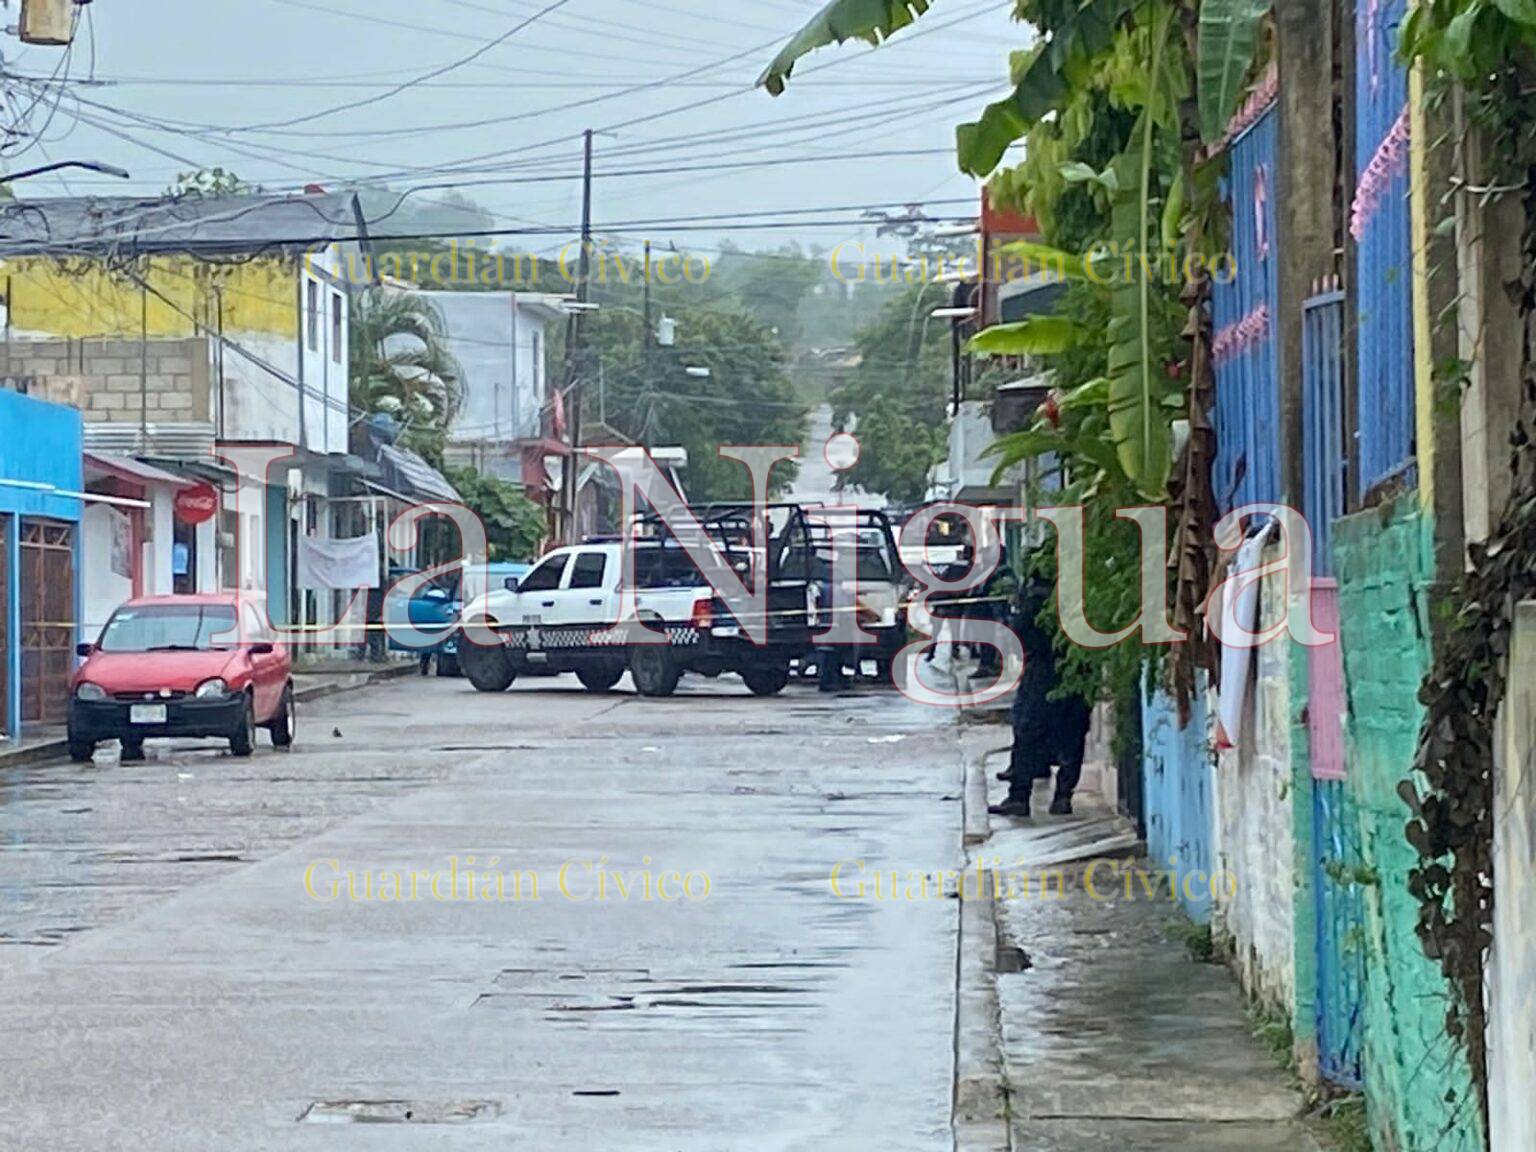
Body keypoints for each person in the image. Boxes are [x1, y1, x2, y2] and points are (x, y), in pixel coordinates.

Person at [989, 578, 1093, 818]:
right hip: (1078, 672)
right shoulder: (1085, 595)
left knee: (1027, 734)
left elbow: (1018, 634)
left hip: (1043, 674)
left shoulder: (1037, 599)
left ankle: (1019, 797)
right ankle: (1063, 796)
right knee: (1073, 735)